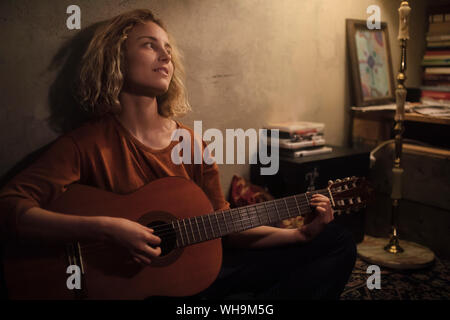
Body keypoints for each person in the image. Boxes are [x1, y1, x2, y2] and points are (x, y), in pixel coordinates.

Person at [0, 9, 356, 299]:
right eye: (149, 45)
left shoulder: (192, 144)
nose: (165, 54)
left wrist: (300, 235)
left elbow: (224, 226)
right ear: (116, 59)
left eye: (168, 47)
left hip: (190, 282)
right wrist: (108, 229)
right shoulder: (86, 144)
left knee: (335, 241)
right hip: (121, 289)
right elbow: (10, 207)